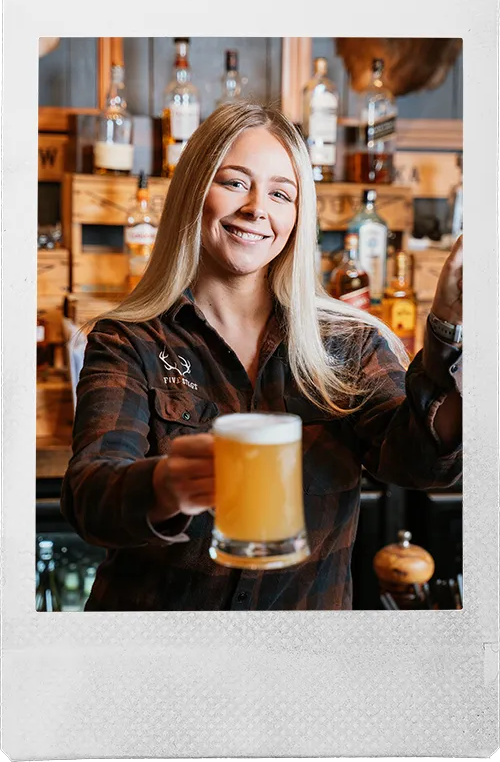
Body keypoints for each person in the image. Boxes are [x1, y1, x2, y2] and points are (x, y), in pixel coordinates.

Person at [60, 102, 463, 611]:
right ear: (192, 193)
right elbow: (89, 496)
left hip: (298, 663)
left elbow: (421, 463)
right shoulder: (130, 341)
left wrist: (451, 328)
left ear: (297, 218)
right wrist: (165, 485)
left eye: (280, 193)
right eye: (233, 182)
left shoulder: (348, 342)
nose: (257, 208)